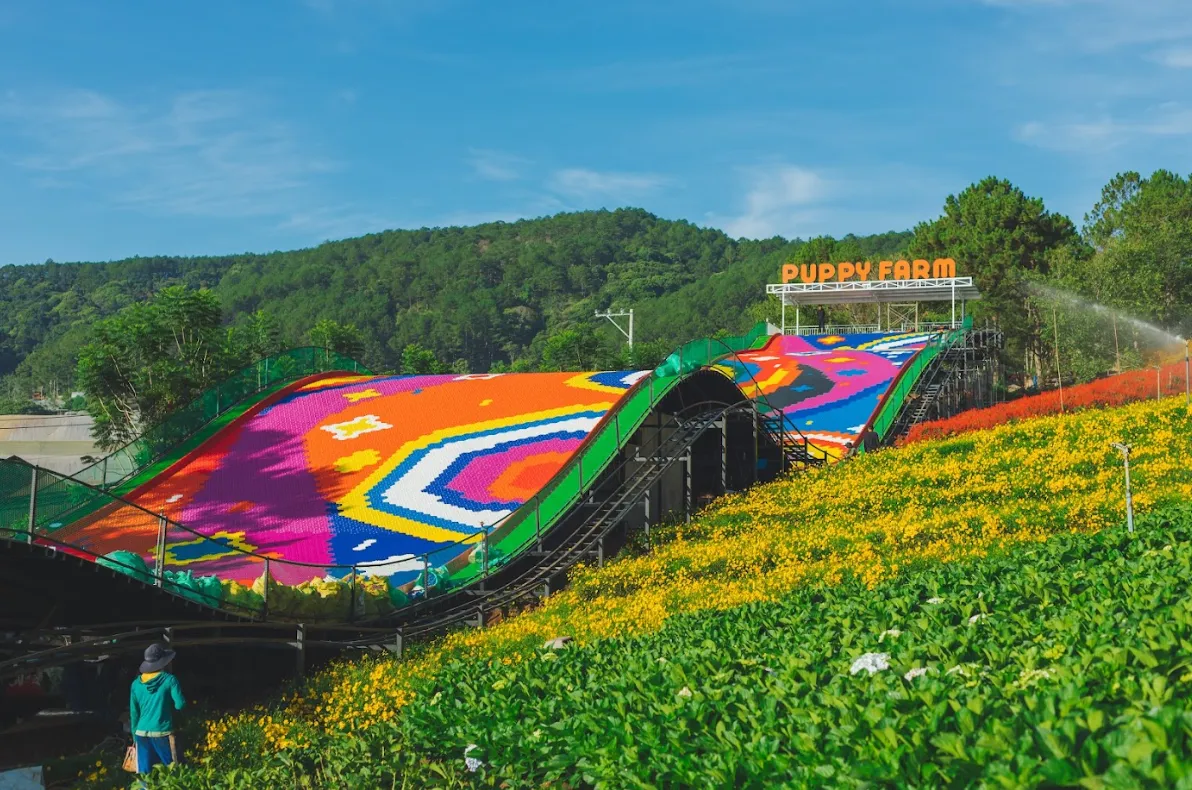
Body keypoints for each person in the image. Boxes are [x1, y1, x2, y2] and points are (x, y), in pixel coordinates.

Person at [129, 643, 186, 776]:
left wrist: (134, 736)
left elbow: (134, 713)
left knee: (145, 775)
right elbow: (180, 704)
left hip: (141, 733)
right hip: (162, 732)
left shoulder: (136, 684)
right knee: (171, 773)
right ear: (163, 662)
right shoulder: (170, 680)